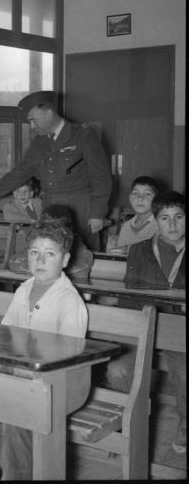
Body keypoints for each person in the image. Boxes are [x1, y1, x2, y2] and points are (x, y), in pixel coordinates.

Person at [0, 221, 88, 480]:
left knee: (19, 406)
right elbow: (5, 334)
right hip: (22, 369)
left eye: (49, 254)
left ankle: (18, 475)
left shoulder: (69, 300)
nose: (40, 260)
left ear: (64, 260)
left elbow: (68, 357)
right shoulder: (24, 289)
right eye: (34, 252)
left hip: (59, 380)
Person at [0, 91, 112, 250]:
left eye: (33, 120)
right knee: (50, 253)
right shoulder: (39, 144)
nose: (32, 126)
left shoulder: (82, 135)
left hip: (80, 211)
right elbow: (19, 174)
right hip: (50, 209)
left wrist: (98, 214)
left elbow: (101, 178)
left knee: (82, 257)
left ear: (48, 114)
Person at [103, 191, 186, 455]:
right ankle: (132, 422)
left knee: (185, 375)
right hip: (145, 325)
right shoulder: (139, 250)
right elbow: (130, 296)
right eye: (165, 218)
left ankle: (186, 425)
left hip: (181, 331)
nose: (172, 224)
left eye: (179, 217)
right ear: (156, 221)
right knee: (117, 369)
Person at [8, 204, 94, 280]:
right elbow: (13, 262)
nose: (50, 233)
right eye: (45, 228)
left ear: (67, 230)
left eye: (55, 230)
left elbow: (79, 273)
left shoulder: (80, 251)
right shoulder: (38, 243)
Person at [109, 176, 159, 254]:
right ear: (130, 198)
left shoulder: (161, 225)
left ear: (157, 199)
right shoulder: (126, 227)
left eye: (147, 194)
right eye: (135, 193)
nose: (140, 198)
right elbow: (119, 254)